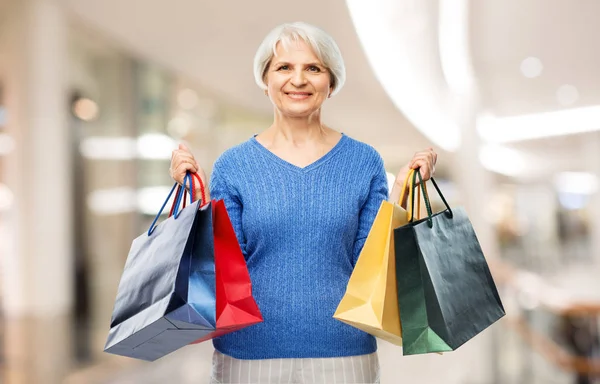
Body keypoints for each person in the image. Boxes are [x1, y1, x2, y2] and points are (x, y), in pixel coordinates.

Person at [170, 22, 437, 384]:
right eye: (284, 67)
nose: (299, 79)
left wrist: (402, 192)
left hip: (344, 356)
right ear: (266, 80)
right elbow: (222, 267)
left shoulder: (363, 161)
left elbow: (372, 264)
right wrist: (197, 207)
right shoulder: (234, 166)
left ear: (331, 82)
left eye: (313, 68)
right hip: (250, 357)